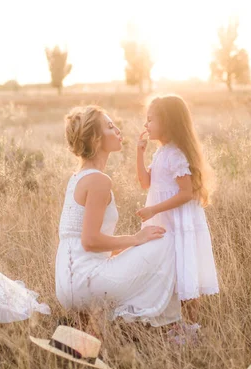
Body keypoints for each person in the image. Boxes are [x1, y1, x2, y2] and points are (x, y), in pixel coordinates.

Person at [54, 105, 181, 330]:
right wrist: (136, 239)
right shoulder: (99, 181)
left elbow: (85, 245)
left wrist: (130, 249)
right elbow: (90, 241)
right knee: (166, 240)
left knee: (147, 243)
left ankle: (96, 327)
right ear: (95, 139)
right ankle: (168, 325)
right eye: (110, 127)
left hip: (67, 285)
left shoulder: (77, 177)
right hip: (87, 282)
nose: (117, 130)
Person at [136, 95, 219, 330]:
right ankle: (173, 323)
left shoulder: (176, 154)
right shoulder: (161, 152)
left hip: (177, 221)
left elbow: (186, 193)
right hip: (164, 220)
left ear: (168, 122)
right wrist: (139, 153)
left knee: (184, 270)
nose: (146, 125)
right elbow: (145, 183)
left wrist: (153, 209)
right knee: (168, 270)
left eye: (151, 119)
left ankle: (190, 327)